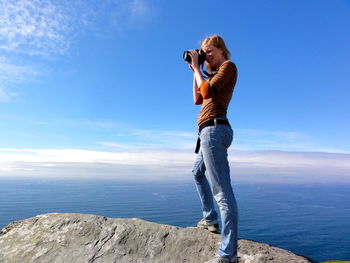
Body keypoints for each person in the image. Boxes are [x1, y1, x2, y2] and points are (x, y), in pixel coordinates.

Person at [187, 35, 239, 263]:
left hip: (215, 131)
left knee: (222, 194)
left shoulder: (228, 66)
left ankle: (228, 255)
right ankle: (210, 219)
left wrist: (199, 68)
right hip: (206, 132)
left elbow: (208, 92)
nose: (205, 55)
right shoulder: (211, 75)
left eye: (209, 51)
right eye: (202, 52)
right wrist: (194, 70)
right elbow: (198, 98)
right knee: (196, 173)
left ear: (221, 51)